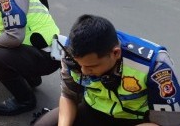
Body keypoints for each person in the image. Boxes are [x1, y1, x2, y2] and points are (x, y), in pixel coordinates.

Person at [34, 14, 180, 126]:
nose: (84, 71)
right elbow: (69, 95)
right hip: (94, 110)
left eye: (92, 66)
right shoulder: (71, 52)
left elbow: (166, 122)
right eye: (80, 65)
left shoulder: (156, 65)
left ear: (116, 53)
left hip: (136, 119)